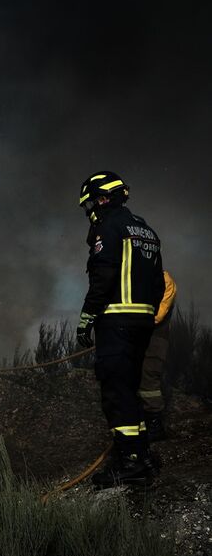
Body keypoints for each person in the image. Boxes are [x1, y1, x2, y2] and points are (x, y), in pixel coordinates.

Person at [76, 171, 166, 488]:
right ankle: (139, 454)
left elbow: (103, 277)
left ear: (103, 198)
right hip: (142, 323)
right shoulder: (147, 230)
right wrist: (146, 315)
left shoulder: (109, 228)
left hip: (116, 321)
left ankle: (131, 465)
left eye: (90, 205)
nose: (90, 213)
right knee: (130, 389)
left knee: (116, 392)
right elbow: (158, 284)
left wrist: (87, 317)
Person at [139, 270, 177, 441]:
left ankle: (155, 424)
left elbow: (158, 314)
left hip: (156, 338)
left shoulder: (165, 280)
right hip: (138, 336)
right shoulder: (136, 276)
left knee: (149, 378)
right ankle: (140, 424)